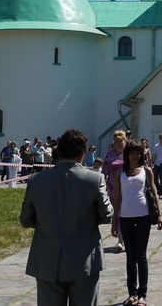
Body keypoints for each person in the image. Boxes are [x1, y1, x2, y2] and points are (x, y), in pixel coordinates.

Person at [20, 128, 113, 305]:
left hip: (47, 258)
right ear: (82, 154)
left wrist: (48, 222)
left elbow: (25, 219)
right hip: (84, 259)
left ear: (59, 151)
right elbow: (107, 214)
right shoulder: (95, 179)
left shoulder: (36, 180)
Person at [115, 141, 162, 305]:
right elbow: (117, 199)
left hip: (143, 216)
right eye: (132, 152)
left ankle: (143, 294)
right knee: (130, 256)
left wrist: (160, 215)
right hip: (126, 217)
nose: (135, 155)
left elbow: (154, 193)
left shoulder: (146, 171)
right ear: (127, 154)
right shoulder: (120, 173)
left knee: (141, 256)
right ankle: (132, 293)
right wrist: (115, 222)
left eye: (138, 152)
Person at [102, 130, 128, 252]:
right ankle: (120, 241)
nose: (118, 144)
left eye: (120, 141)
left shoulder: (129, 154)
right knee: (118, 213)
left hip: (128, 189)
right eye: (116, 142)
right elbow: (104, 172)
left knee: (126, 213)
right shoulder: (110, 155)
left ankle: (126, 239)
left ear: (125, 141)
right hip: (113, 189)